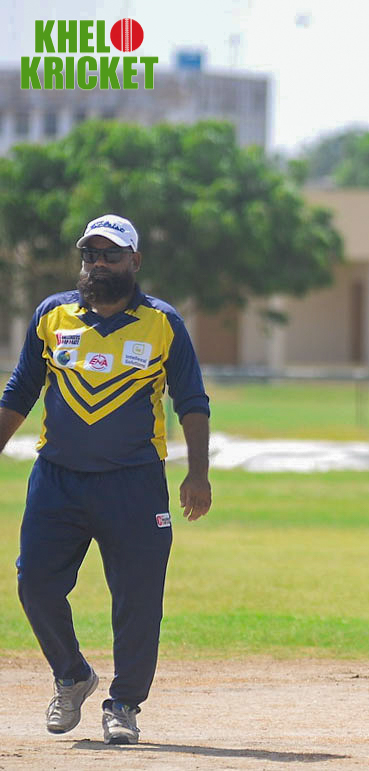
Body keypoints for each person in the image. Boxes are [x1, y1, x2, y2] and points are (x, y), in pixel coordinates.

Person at [0, 214, 211, 745]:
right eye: (90, 254)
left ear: (134, 261)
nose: (98, 264)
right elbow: (20, 391)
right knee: (35, 583)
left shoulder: (162, 322)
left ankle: (124, 705)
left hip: (134, 483)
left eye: (110, 255)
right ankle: (72, 675)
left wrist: (198, 473)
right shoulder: (53, 315)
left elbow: (191, 400)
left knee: (138, 598)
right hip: (58, 479)